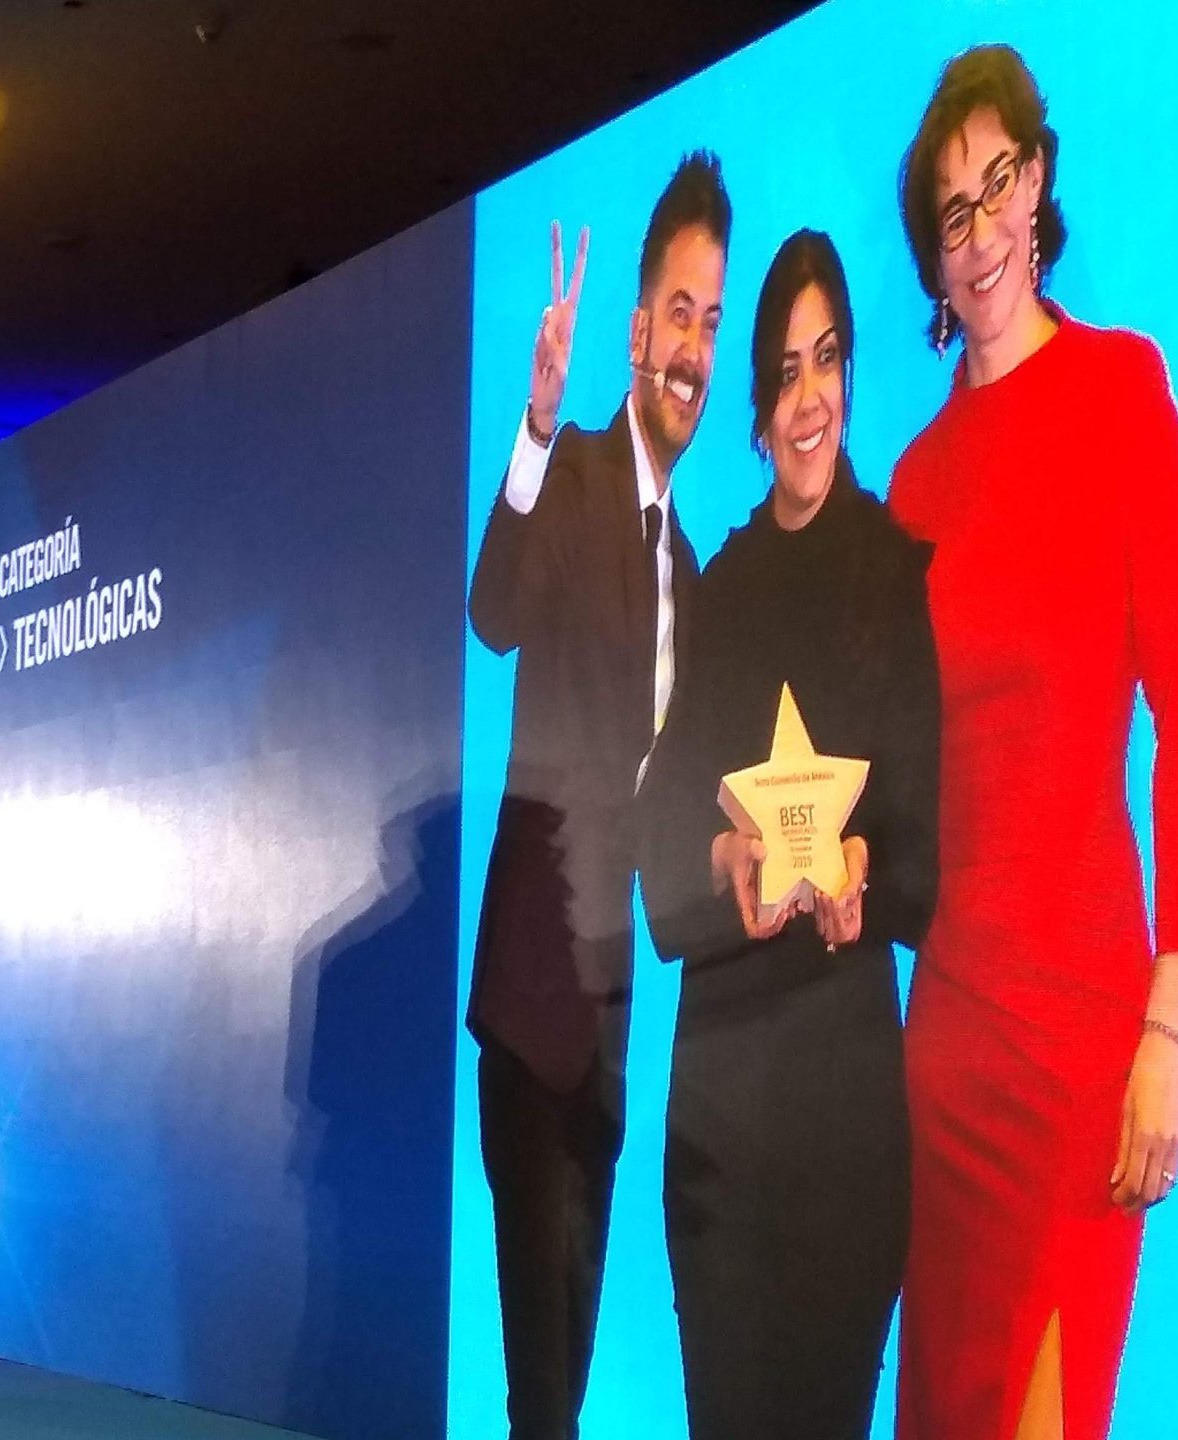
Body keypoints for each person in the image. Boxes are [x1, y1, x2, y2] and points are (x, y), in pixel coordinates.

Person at [886, 46, 1178, 1440]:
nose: (977, 233)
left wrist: (1170, 1029)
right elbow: (899, 781)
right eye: (949, 212)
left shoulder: (1122, 390)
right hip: (948, 1037)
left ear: (1039, 183)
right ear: (930, 252)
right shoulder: (914, 484)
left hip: (1086, 1030)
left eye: (997, 186)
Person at [636, 229, 939, 1439]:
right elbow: (660, 830)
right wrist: (722, 862)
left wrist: (865, 869)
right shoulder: (719, 589)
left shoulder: (894, 572)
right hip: (720, 1130)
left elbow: (923, 843)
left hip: (844, 1129)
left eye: (828, 360)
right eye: (784, 371)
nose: (809, 397)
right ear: (757, 407)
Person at [465, 150, 729, 1439]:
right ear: (635, 332)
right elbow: (494, 614)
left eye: (712, 324)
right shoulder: (568, 472)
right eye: (678, 313)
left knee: (568, 1362)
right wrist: (530, 424)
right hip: (531, 1000)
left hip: (613, 1014)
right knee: (538, 1382)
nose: (693, 351)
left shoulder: (690, 567)